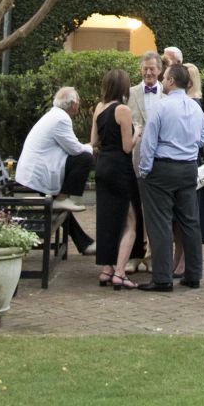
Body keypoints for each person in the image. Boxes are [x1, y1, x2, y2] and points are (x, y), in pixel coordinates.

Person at [138, 62, 204, 292]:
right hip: (188, 167)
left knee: (160, 223)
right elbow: (202, 139)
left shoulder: (160, 106)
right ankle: (194, 275)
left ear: (170, 81)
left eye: (165, 76)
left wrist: (145, 170)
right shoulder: (196, 108)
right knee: (190, 222)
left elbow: (149, 141)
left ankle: (163, 278)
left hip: (163, 168)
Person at [15, 87, 96, 255]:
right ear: (73, 104)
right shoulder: (61, 119)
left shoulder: (55, 115)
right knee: (85, 159)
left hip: (33, 172)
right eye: (78, 101)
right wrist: (90, 147)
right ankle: (63, 197)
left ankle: (84, 244)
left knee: (60, 209)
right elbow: (75, 149)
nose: (79, 104)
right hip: (37, 175)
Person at [91, 68, 146, 291]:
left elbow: (93, 141)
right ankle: (121, 272)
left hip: (102, 166)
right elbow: (126, 147)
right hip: (120, 168)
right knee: (131, 220)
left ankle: (107, 268)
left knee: (107, 217)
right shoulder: (122, 110)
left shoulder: (99, 107)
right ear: (123, 87)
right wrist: (137, 133)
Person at [172, 62, 204, 277]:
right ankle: (179, 258)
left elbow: (200, 138)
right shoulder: (192, 100)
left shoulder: (192, 103)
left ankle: (184, 261)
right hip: (191, 162)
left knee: (187, 216)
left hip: (190, 163)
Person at [127, 50, 163, 273]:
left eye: (152, 68)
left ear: (160, 70)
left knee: (155, 209)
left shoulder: (167, 96)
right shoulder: (129, 93)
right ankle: (134, 256)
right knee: (134, 209)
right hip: (135, 157)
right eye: (145, 68)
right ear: (140, 70)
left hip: (159, 159)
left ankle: (151, 256)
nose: (149, 72)